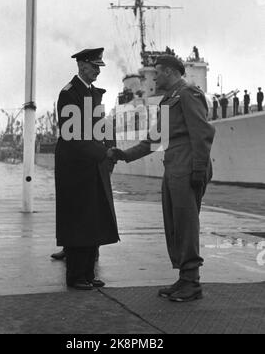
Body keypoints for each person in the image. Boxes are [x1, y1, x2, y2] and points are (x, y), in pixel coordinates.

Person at [112, 55, 215, 302]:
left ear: (169, 72)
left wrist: (199, 169)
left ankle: (192, 283)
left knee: (186, 224)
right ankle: (184, 277)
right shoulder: (169, 100)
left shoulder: (188, 93)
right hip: (174, 165)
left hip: (188, 165)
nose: (154, 77)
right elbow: (154, 140)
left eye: (157, 73)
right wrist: (123, 154)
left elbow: (202, 133)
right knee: (175, 224)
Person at [54, 47, 119, 290]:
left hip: (91, 163)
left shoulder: (93, 94)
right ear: (81, 66)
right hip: (75, 166)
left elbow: (100, 127)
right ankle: (75, 275)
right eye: (94, 67)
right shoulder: (69, 94)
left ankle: (88, 273)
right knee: (78, 219)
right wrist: (104, 153)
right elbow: (73, 135)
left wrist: (109, 148)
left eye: (99, 67)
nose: (97, 72)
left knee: (93, 218)